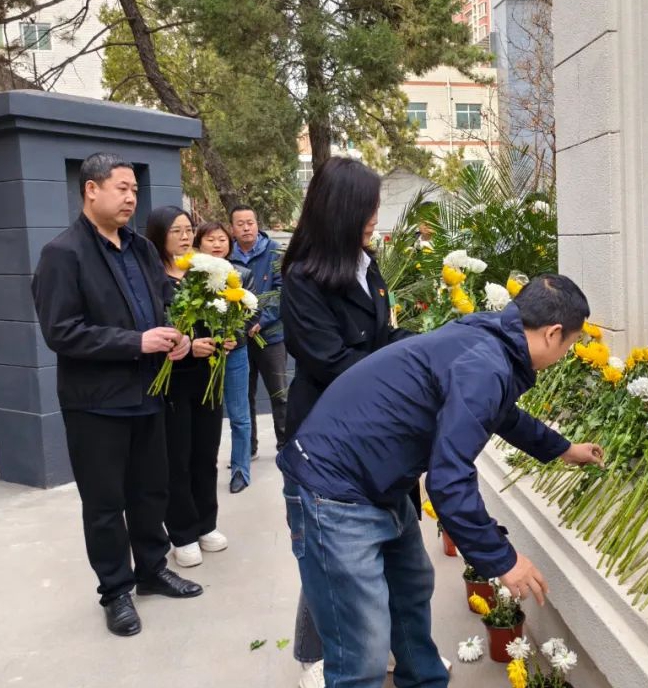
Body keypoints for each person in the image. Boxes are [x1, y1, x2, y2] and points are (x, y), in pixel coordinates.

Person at [278, 275, 604, 687]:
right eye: (570, 344)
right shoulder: (487, 363)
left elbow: (498, 412)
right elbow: (449, 480)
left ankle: (424, 680)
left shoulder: (491, 338)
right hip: (334, 489)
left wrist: (562, 448)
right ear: (553, 333)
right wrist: (503, 559)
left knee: (410, 589)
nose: (566, 354)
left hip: (373, 477)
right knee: (361, 647)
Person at [32, 153, 203, 638]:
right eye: (122, 188)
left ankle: (152, 570)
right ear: (91, 190)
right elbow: (61, 332)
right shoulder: (62, 254)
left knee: (151, 490)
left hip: (148, 393)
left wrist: (177, 337)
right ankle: (115, 592)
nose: (131, 198)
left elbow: (163, 305)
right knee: (105, 503)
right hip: (96, 403)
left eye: (134, 190)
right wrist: (136, 342)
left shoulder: (141, 249)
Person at [279, 157, 418, 683]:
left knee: (374, 553)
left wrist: (430, 345)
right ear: (340, 211)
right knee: (330, 558)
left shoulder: (366, 265)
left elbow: (383, 337)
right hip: (328, 439)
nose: (375, 217)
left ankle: (379, 646)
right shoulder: (304, 280)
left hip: (376, 436)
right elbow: (334, 363)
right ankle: (320, 658)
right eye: (368, 208)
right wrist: (405, 373)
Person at [145, 208, 232, 568]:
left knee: (206, 455)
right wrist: (187, 345)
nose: (184, 236)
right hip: (173, 380)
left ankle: (206, 523)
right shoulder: (151, 277)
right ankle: (182, 533)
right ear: (159, 235)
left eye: (188, 229)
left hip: (208, 377)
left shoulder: (202, 272)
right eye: (176, 231)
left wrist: (226, 337)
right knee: (177, 459)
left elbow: (222, 314)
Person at [195, 220, 256, 494]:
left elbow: (250, 312)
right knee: (204, 417)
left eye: (221, 239)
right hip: (202, 354)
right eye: (210, 239)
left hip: (235, 352)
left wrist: (235, 334)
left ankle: (241, 470)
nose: (217, 244)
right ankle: (202, 469)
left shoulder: (242, 274)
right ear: (199, 244)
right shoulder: (193, 276)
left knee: (239, 415)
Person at [228, 205, 288, 460]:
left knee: (280, 393)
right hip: (240, 338)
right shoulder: (227, 255)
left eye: (250, 222)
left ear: (257, 224)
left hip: (271, 335)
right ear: (232, 228)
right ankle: (248, 448)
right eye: (240, 224)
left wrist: (262, 320)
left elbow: (282, 290)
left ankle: (285, 446)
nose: (246, 228)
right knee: (244, 395)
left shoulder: (274, 251)